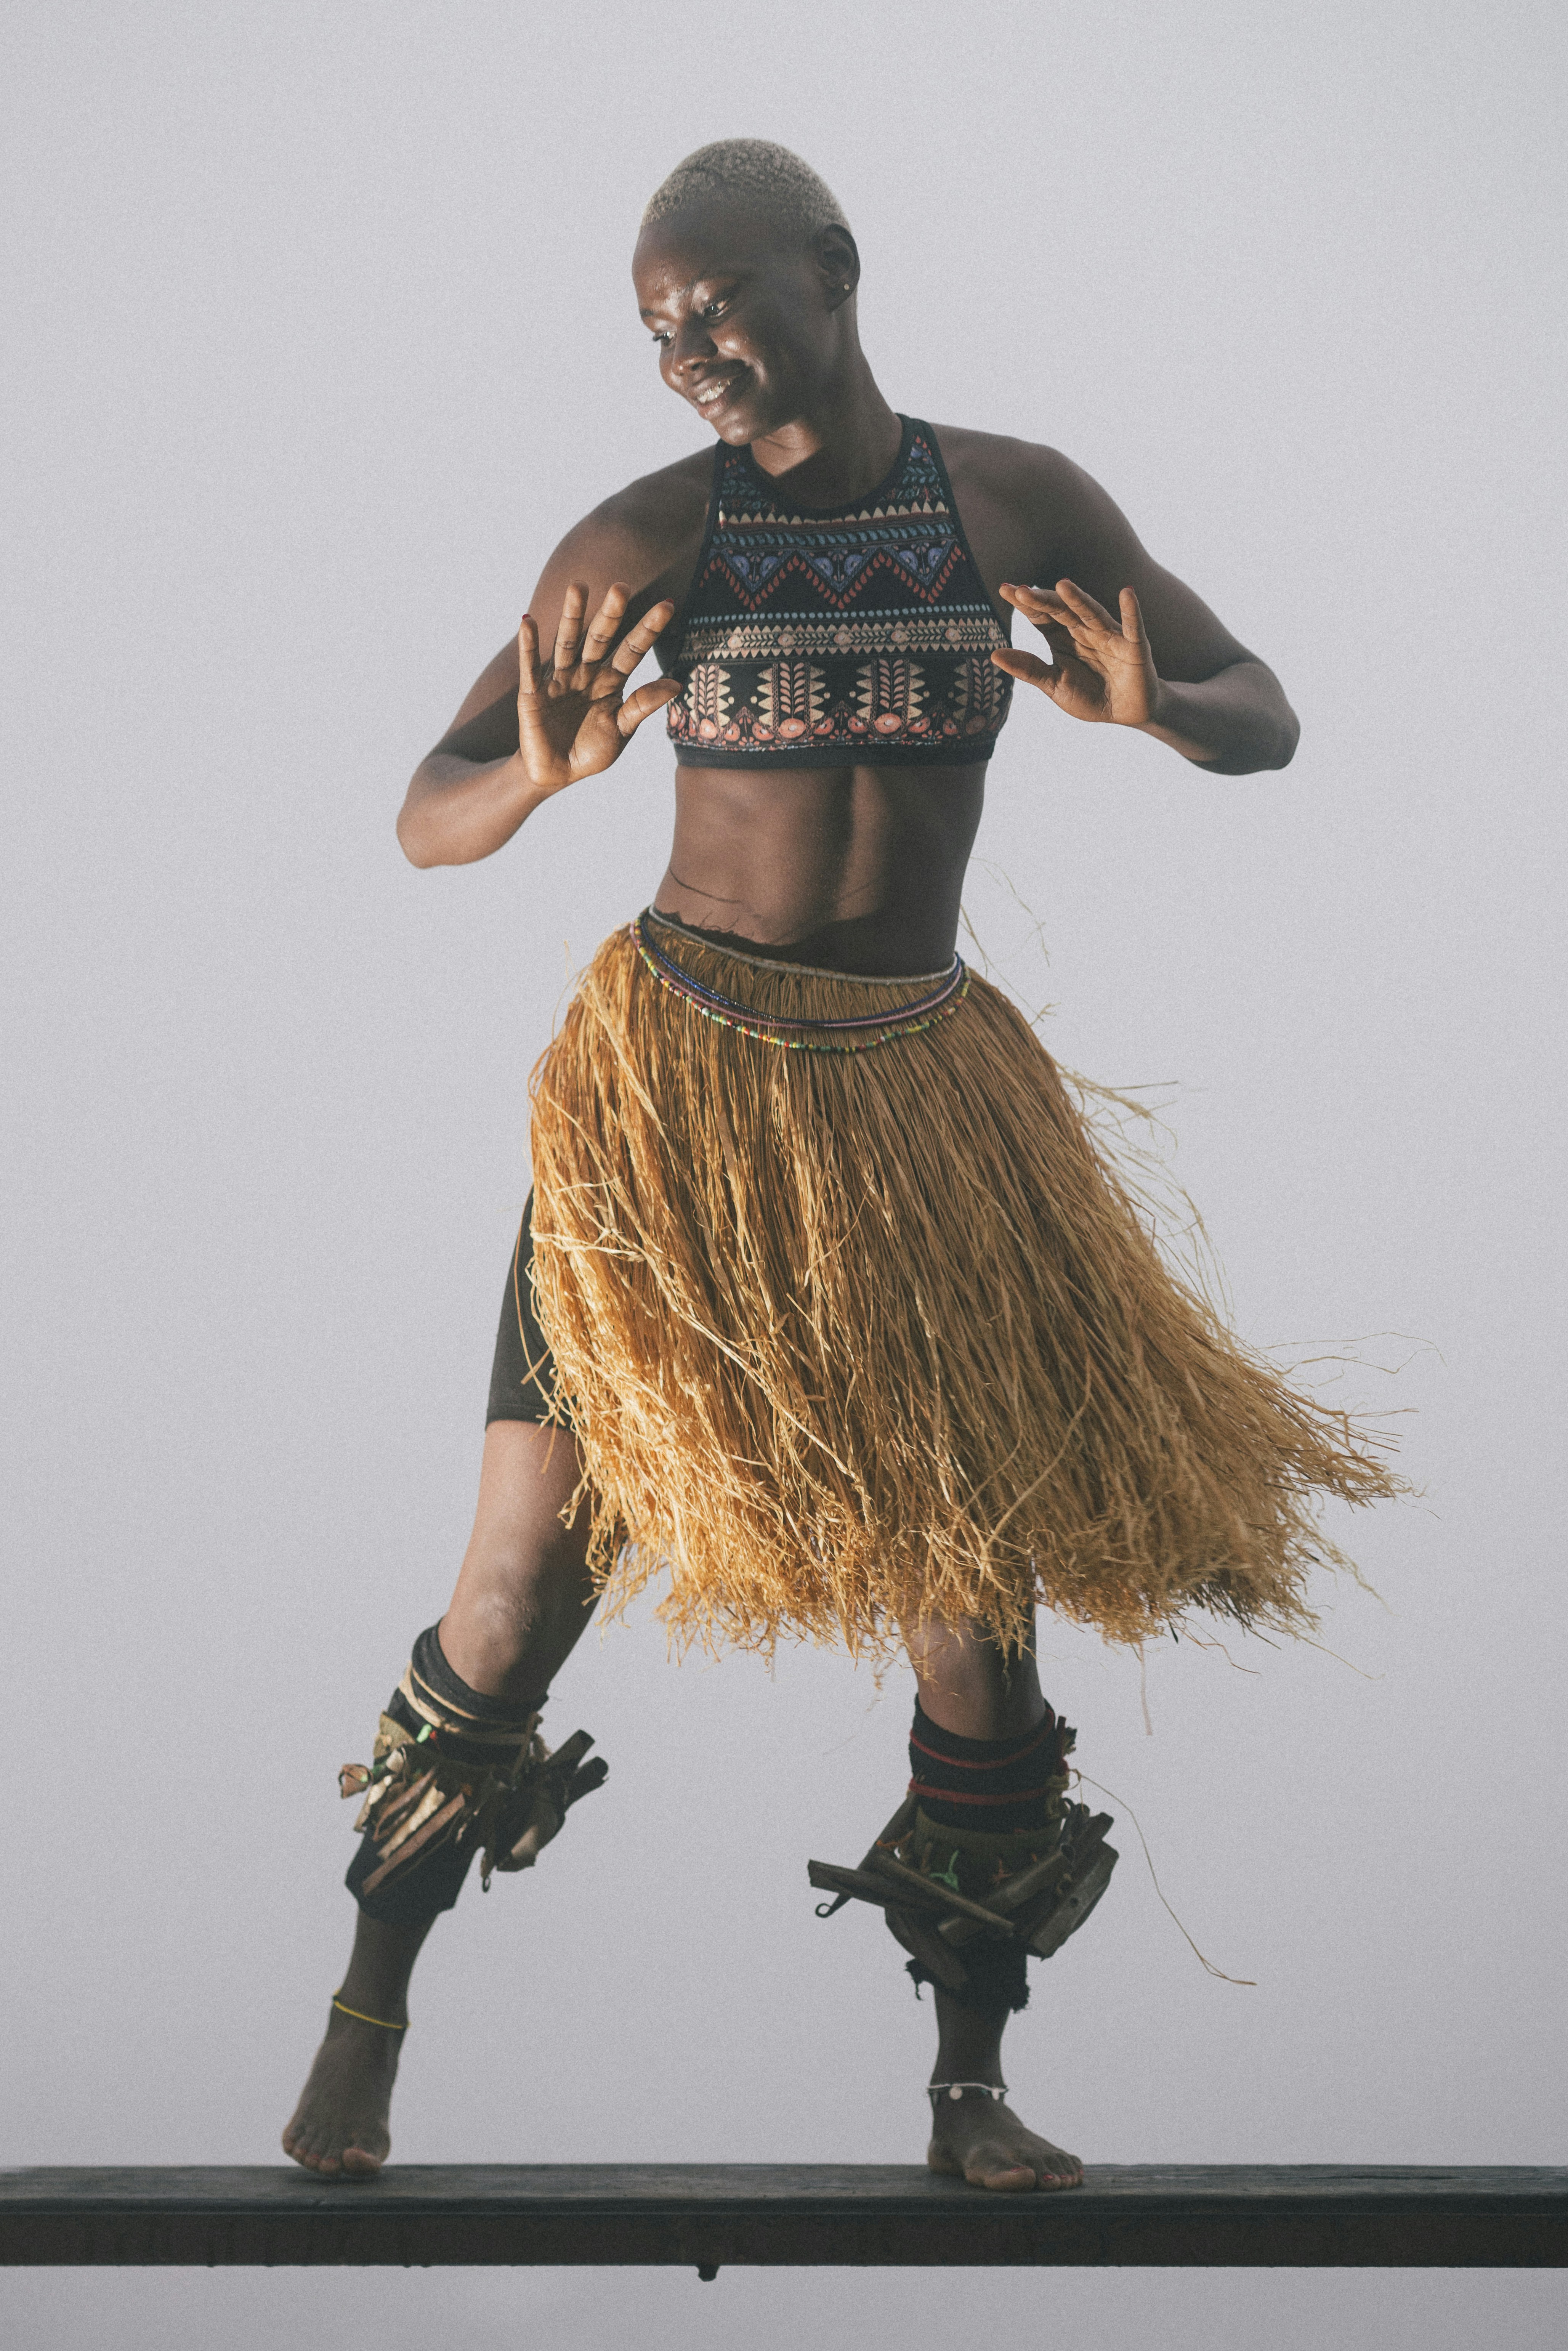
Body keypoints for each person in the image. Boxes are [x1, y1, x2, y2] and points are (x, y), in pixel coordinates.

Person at [283, 140, 1394, 2193]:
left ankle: (968, 2088)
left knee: (973, 1610)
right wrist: (530, 771)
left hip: (918, 1117)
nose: (685, 350)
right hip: (666, 1127)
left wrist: (1161, 715)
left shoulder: (1013, 502)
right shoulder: (641, 537)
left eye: (712, 303)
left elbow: (1261, 712)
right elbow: (424, 812)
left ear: (831, 269)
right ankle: (364, 2021)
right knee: (521, 1590)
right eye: (654, 325)